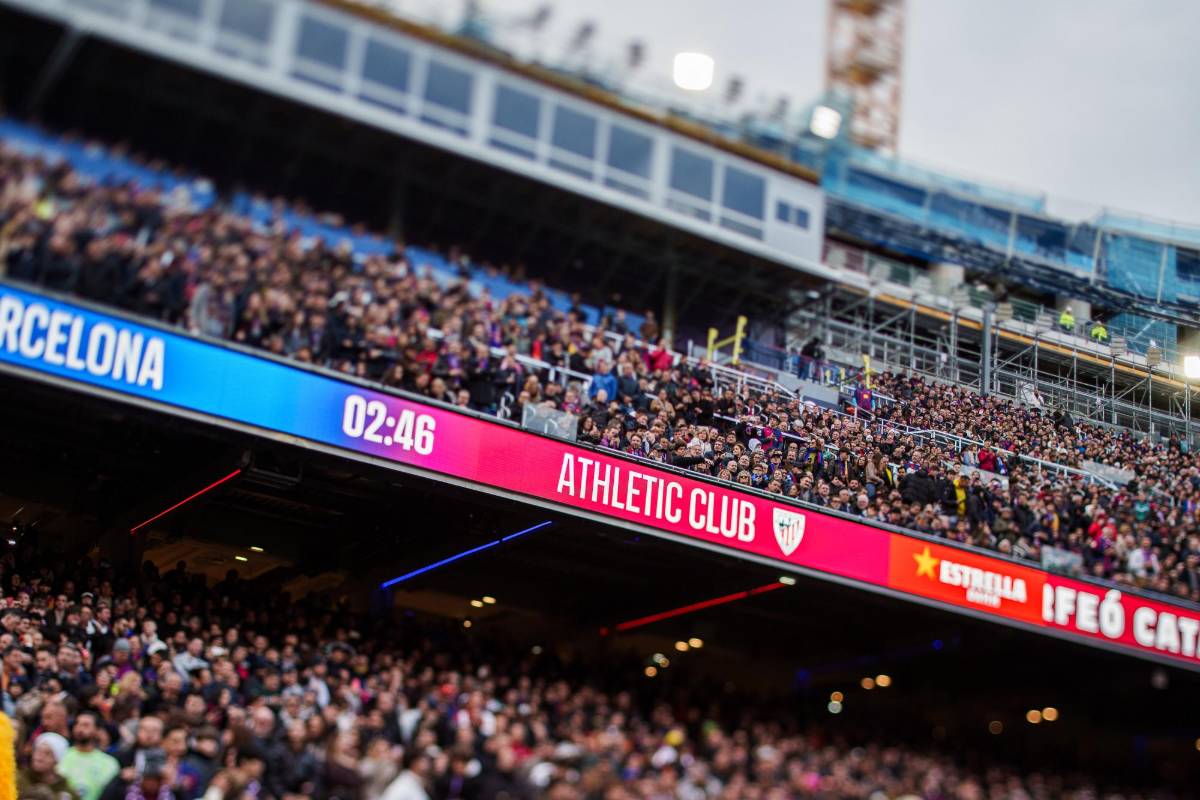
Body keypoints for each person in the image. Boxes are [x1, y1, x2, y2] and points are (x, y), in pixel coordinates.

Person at [59, 712, 120, 800]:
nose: (80, 728)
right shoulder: (61, 755)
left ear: (97, 730)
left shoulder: (109, 763)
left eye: (86, 725)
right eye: (77, 724)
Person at [19, 731, 81, 800]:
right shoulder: (19, 780)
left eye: (47, 753)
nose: (39, 757)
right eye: (37, 751)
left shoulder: (65, 790)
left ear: (57, 760)